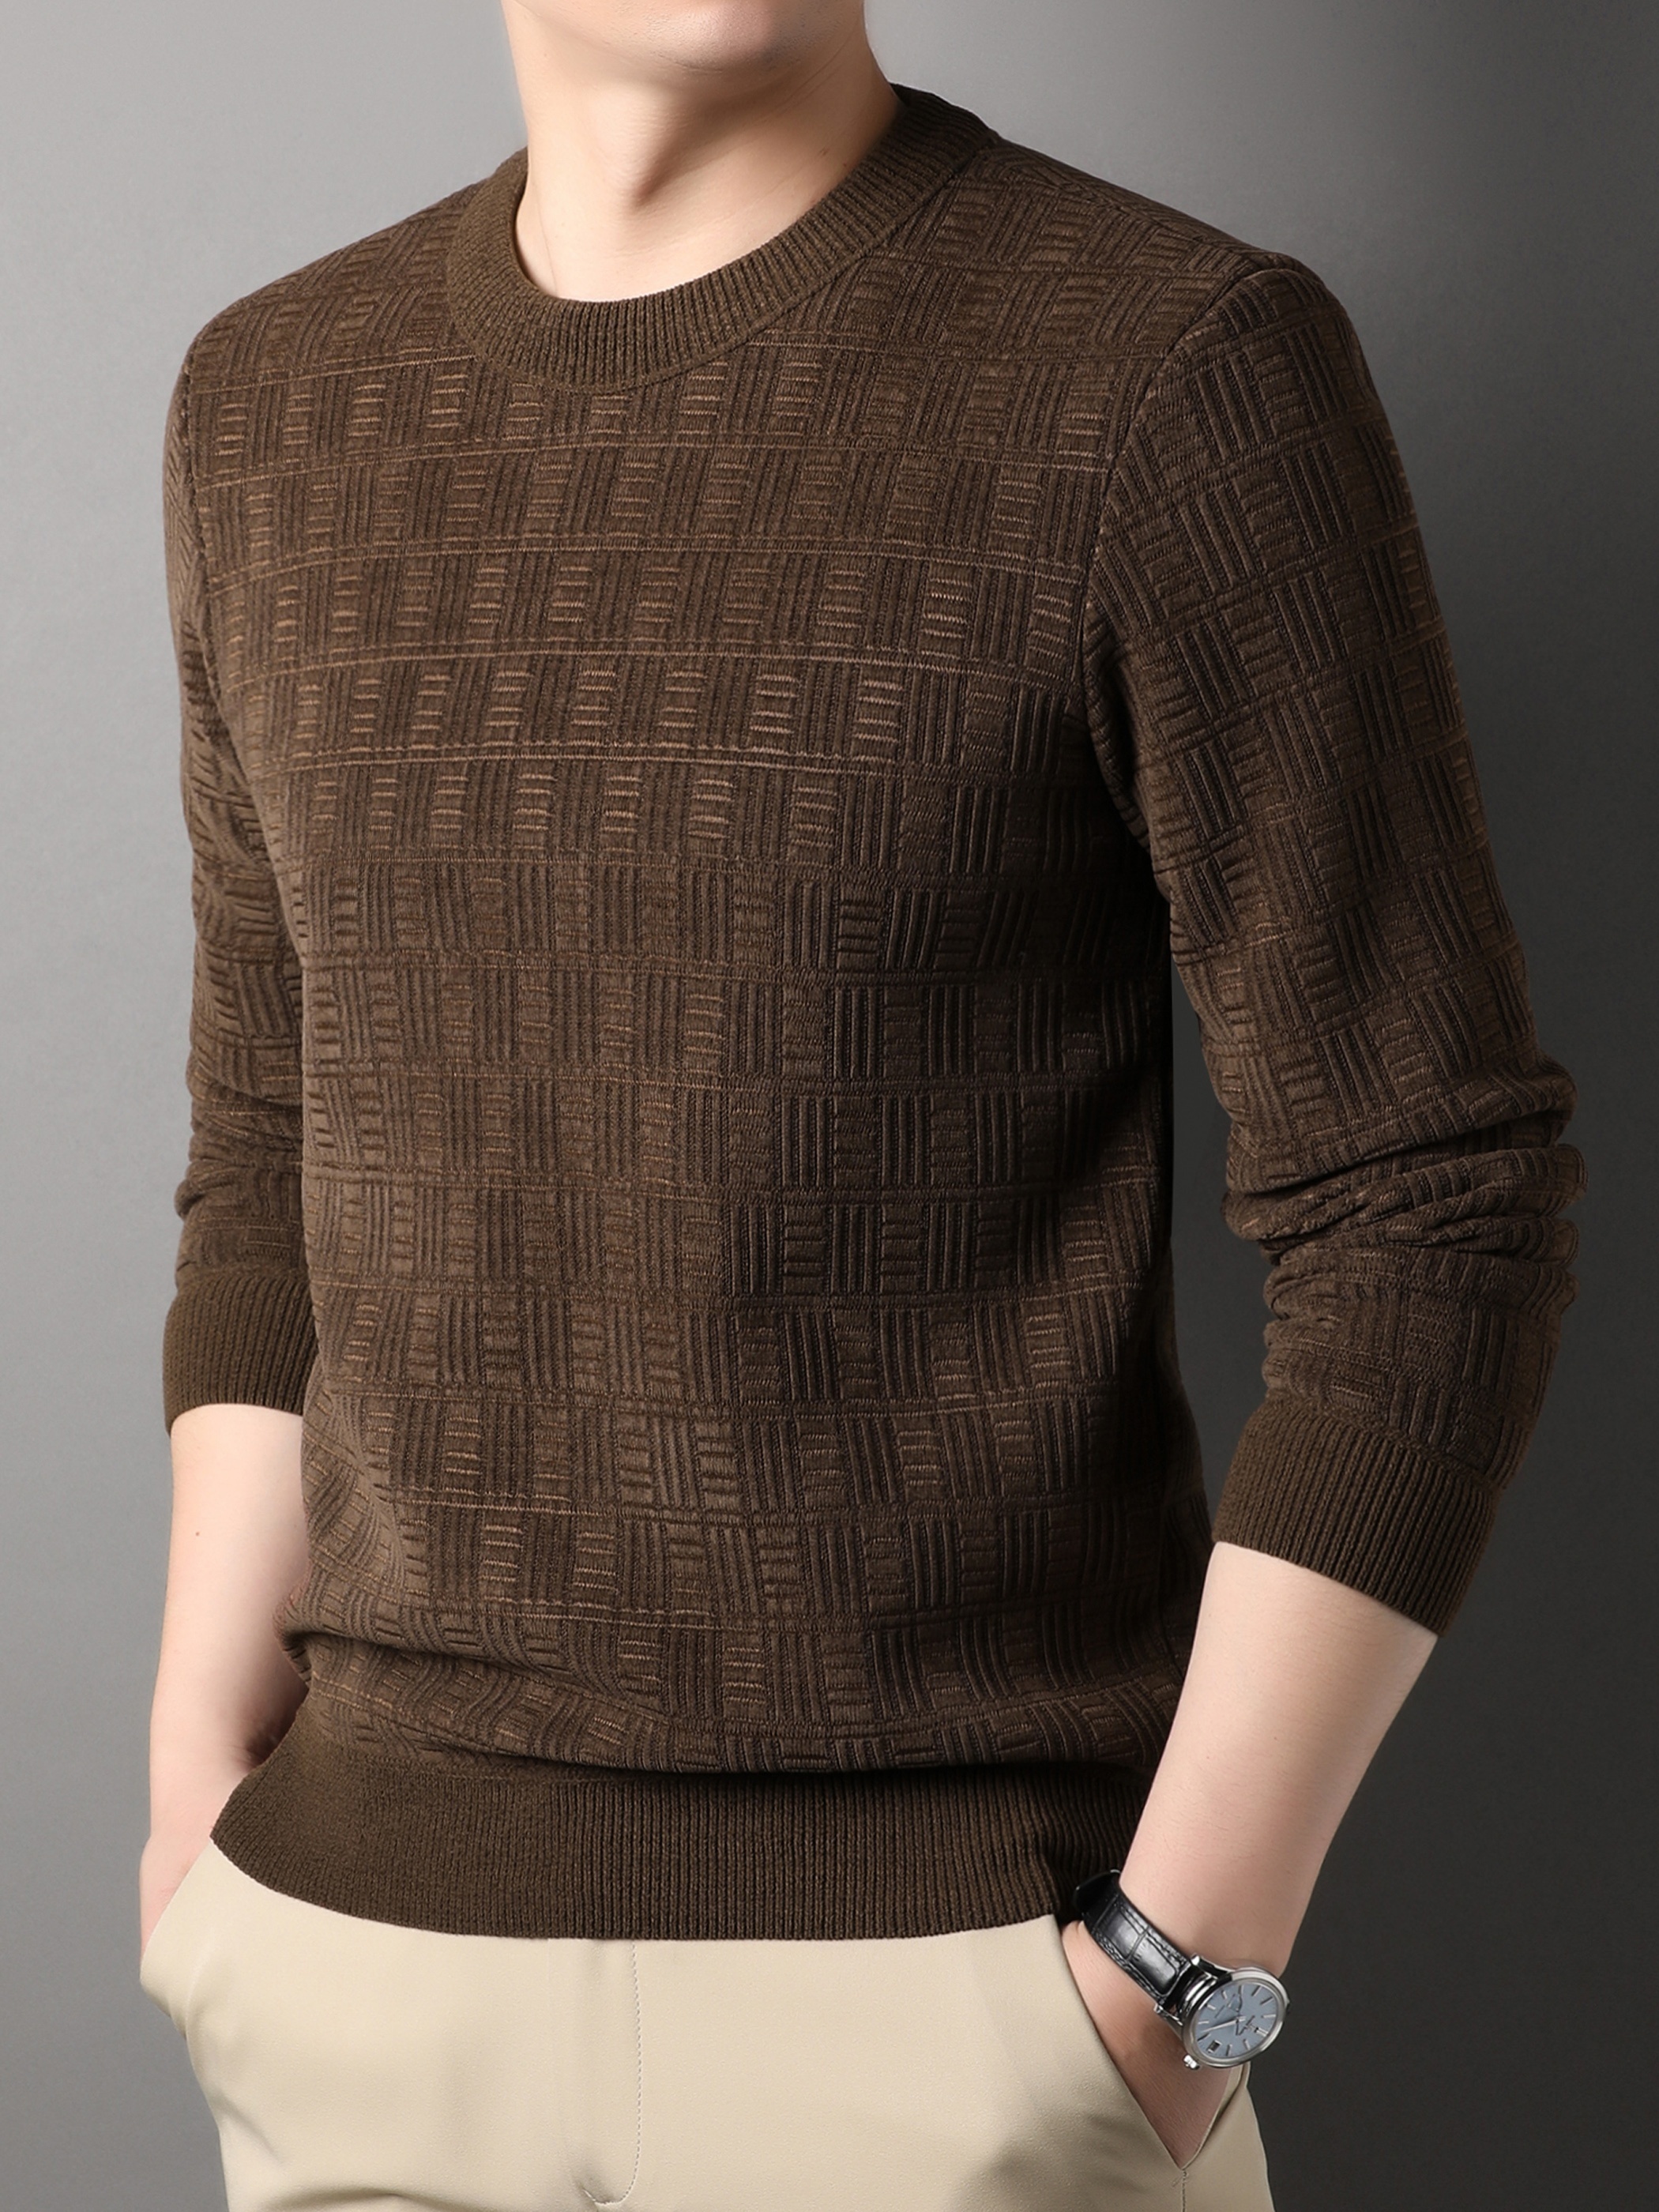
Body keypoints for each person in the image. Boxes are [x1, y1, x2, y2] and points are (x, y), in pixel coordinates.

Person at [137, 6, 1586, 2209]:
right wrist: (198, 1795)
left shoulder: (1169, 367)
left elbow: (1429, 1209)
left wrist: (1176, 1978)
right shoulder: (273, 401)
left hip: (956, 2013)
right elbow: (273, 1149)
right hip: (357, 1968)